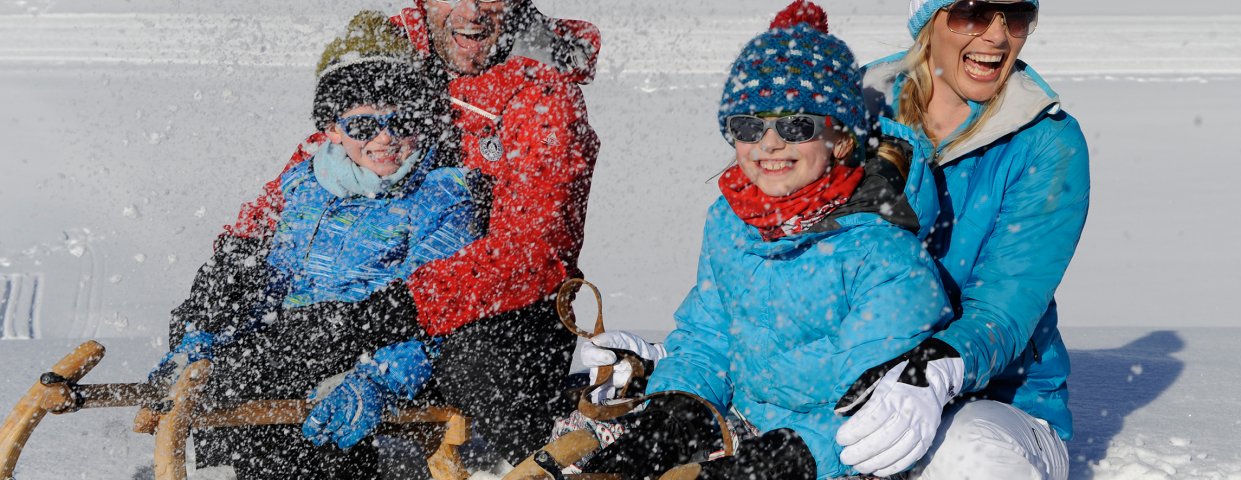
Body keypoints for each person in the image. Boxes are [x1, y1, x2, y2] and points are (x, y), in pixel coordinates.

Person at [213, 0, 602, 469]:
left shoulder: (542, 93)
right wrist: (236, 260)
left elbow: (536, 251)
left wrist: (399, 308)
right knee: (279, 338)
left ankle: (527, 462)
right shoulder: (393, 50)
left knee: (472, 357)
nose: (473, 11)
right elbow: (316, 175)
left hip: (499, 311)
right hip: (378, 287)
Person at [572, 3, 952, 479]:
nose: (769, 144)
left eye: (796, 125)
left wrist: (789, 454)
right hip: (742, 428)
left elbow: (869, 401)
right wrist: (676, 409)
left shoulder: (885, 253)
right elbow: (708, 339)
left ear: (839, 139)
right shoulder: (731, 223)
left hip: (830, 458)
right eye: (750, 126)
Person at [153, 11, 475, 479]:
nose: (384, 138)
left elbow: (434, 310)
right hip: (288, 340)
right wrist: (215, 324)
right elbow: (272, 273)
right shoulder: (306, 183)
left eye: (401, 121)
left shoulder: (438, 195)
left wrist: (377, 378)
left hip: (367, 344)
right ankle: (198, 370)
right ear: (332, 128)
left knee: (298, 360)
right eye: (364, 126)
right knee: (232, 282)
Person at [831, 0, 1089, 478]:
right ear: (928, 20)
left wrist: (930, 373)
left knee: (968, 457)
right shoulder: (855, 108)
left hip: (998, 399)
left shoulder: (1046, 142)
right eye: (973, 11)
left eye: (1015, 16)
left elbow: (1003, 309)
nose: (996, 36)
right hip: (846, 374)